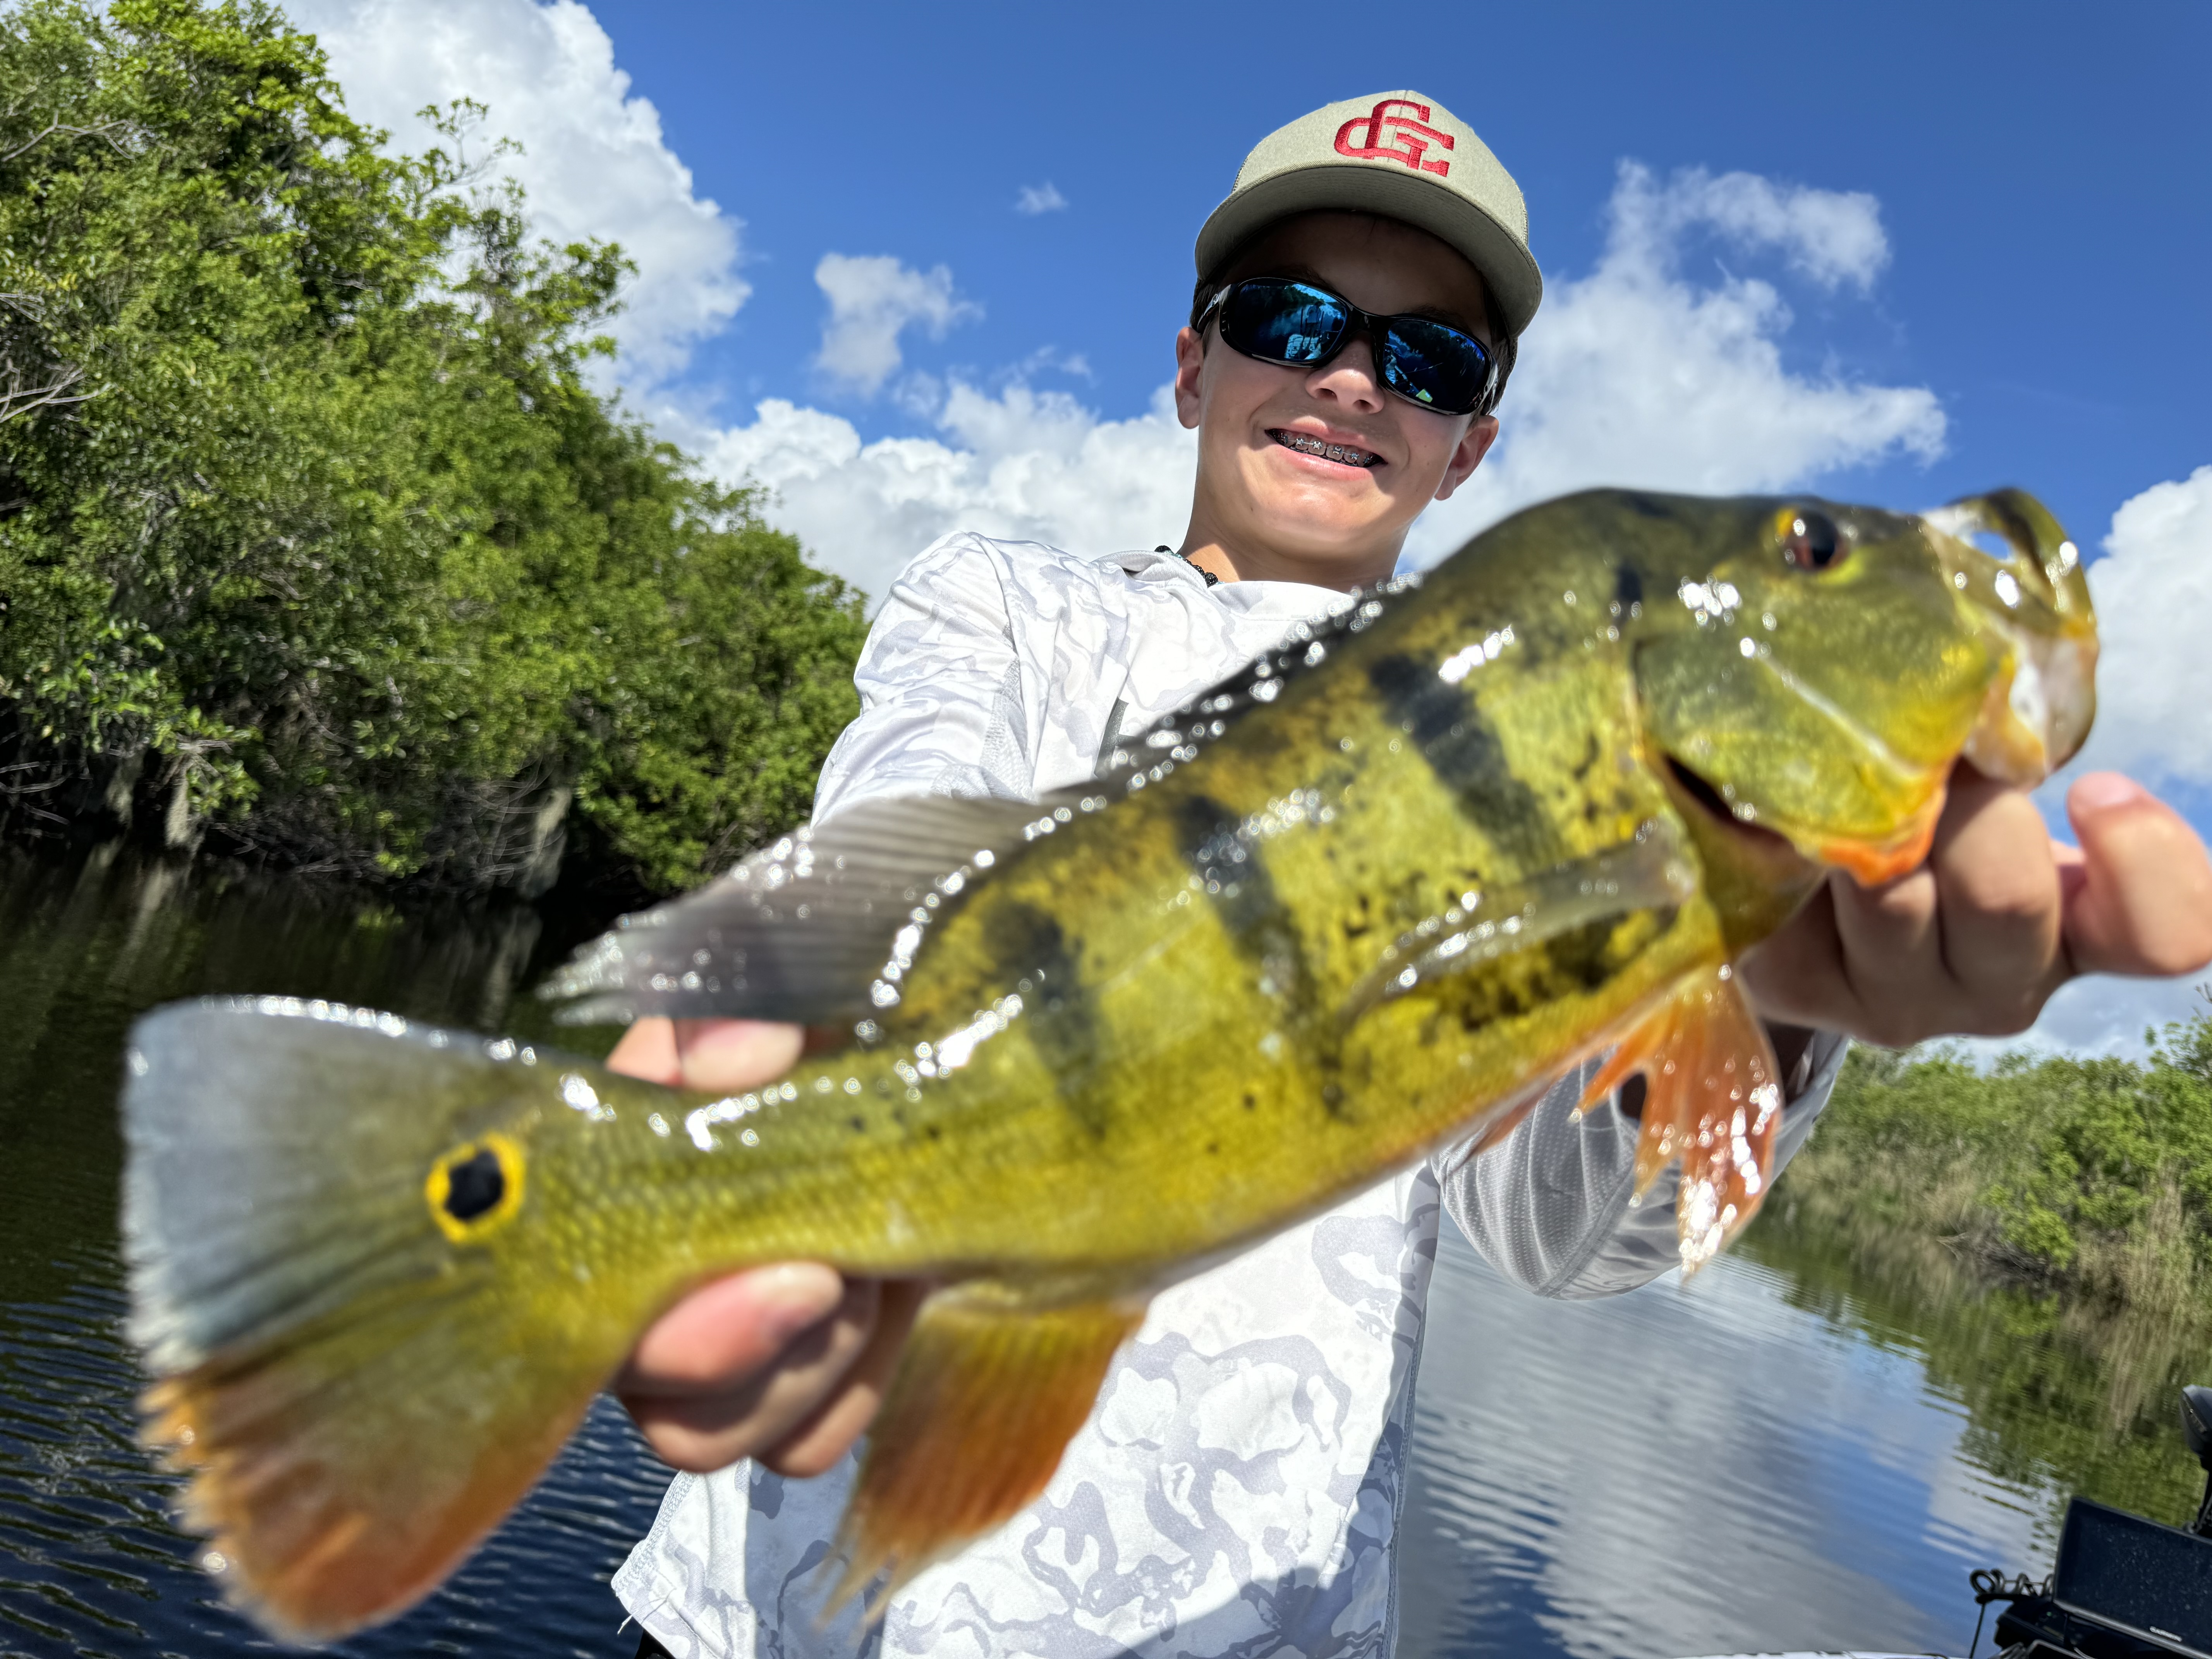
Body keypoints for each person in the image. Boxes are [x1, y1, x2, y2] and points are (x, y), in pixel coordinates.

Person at [604, 93, 2212, 1659]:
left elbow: (1571, 1234)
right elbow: (908, 804)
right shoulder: (1010, 609)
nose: (1355, 380)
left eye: (1427, 359)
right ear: (1192, 365)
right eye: (1290, 322)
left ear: (1468, 446)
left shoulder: (1583, 755)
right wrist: (792, 1026)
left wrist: (1775, 1008)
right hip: (784, 1613)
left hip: (1259, 1620)